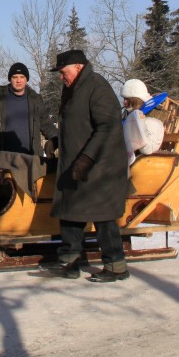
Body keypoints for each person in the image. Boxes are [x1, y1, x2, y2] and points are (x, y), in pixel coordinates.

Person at [38, 49, 130, 283]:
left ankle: (116, 266)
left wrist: (87, 158)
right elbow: (76, 125)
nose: (61, 76)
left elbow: (107, 127)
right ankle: (70, 261)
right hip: (75, 163)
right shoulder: (73, 89)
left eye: (63, 71)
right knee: (70, 210)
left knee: (103, 216)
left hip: (100, 165)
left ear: (78, 67)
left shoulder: (97, 87)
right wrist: (57, 141)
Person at [0, 62, 58, 157]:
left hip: (31, 158)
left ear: (26, 79)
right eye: (15, 77)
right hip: (3, 158)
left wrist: (57, 140)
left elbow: (46, 125)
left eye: (22, 77)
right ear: (10, 79)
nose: (19, 80)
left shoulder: (35, 100)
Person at [121, 78, 165, 165]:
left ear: (137, 99)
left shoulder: (152, 120)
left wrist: (139, 126)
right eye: (124, 99)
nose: (124, 103)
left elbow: (148, 149)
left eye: (128, 99)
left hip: (142, 166)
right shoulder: (128, 116)